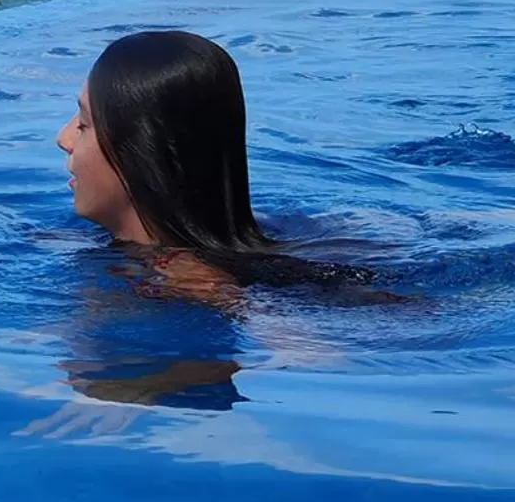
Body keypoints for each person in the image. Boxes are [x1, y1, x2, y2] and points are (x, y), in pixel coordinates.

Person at [54, 29, 374, 302]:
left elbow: (313, 353)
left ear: (142, 155)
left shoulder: (214, 284)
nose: (63, 138)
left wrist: (228, 300)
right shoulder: (85, 242)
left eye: (83, 124)